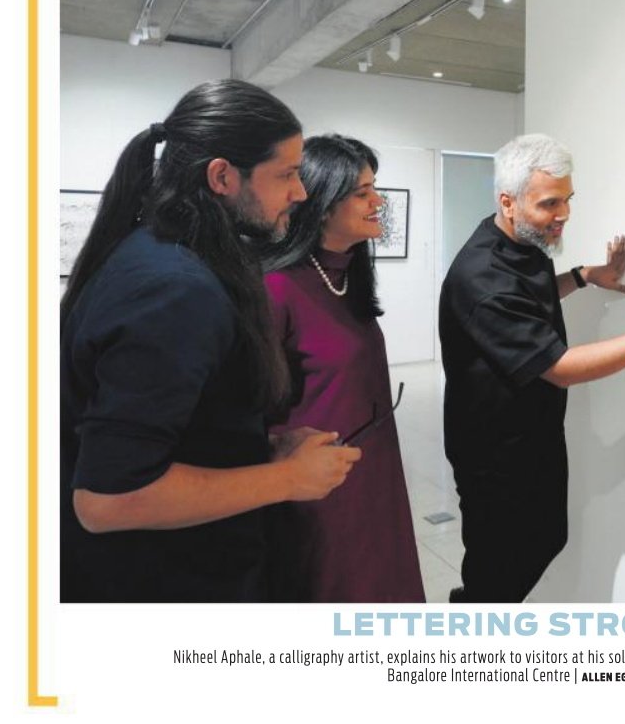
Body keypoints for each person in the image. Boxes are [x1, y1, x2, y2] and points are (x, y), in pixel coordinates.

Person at [61, 80, 361, 603]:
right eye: (286, 174)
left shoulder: (173, 259)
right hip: (164, 586)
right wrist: (288, 478)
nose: (301, 192)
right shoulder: (173, 290)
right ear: (222, 176)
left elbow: (176, 428)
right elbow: (108, 498)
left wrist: (259, 449)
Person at [439, 133, 625, 603]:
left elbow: (526, 302)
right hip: (494, 456)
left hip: (532, 438)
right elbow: (560, 367)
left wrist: (583, 277)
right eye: (550, 204)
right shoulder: (481, 276)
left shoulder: (519, 240)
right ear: (508, 202)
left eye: (568, 199)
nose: (564, 215)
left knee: (546, 539)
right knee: (499, 574)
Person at [261, 135, 425, 602]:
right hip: (320, 493)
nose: (378, 202)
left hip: (373, 474)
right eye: (361, 193)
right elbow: (249, 411)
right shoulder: (277, 287)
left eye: (376, 188)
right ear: (321, 202)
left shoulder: (348, 276)